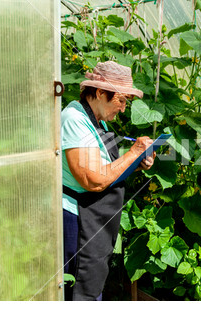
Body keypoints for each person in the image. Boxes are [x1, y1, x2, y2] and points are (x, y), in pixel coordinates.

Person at [61, 61, 155, 301]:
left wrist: (136, 163)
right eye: (121, 100)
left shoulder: (97, 121)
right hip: (78, 220)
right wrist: (133, 152)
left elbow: (107, 168)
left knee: (92, 289)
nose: (123, 108)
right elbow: (92, 179)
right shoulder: (74, 120)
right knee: (79, 291)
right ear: (101, 93)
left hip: (95, 220)